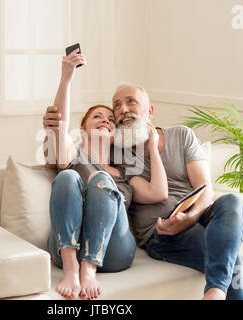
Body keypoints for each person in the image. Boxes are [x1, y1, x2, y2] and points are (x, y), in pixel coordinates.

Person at [43, 83, 243, 300]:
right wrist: (52, 129)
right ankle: (216, 291)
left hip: (195, 214)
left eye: (131, 101)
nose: (122, 110)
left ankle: (214, 293)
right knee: (229, 255)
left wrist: (189, 217)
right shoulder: (118, 153)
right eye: (117, 106)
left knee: (232, 202)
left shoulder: (181, 136)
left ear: (149, 111)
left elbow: (205, 189)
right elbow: (61, 151)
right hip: (160, 233)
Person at [44, 50, 169, 300]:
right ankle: (72, 268)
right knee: (68, 177)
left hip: (114, 252)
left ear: (116, 132)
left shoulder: (124, 171)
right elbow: (59, 125)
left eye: (111, 119)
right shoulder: (72, 156)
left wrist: (153, 149)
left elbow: (158, 192)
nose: (106, 121)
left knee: (102, 181)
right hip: (67, 247)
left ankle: (88, 269)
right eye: (97, 117)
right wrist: (66, 78)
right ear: (83, 128)